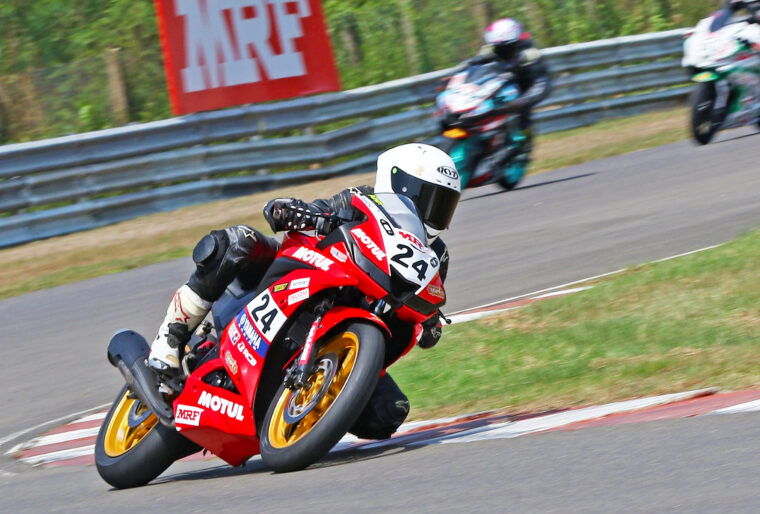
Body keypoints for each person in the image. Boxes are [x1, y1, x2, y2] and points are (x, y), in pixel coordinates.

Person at [146, 143, 461, 440]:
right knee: (238, 242)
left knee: (389, 413)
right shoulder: (361, 201)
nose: (437, 213)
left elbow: (426, 303)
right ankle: (170, 338)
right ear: (400, 184)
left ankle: (310, 416)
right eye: (431, 199)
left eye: (445, 204)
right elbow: (313, 210)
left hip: (352, 331)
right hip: (305, 278)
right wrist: (298, 212)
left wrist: (429, 322)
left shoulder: (437, 256)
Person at [452, 18, 552, 186]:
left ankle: (521, 145)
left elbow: (542, 82)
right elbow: (474, 64)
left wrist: (527, 98)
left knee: (520, 113)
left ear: (515, 43)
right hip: (500, 86)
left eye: (505, 46)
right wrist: (459, 73)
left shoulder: (530, 54)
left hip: (525, 88)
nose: (501, 50)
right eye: (498, 46)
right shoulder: (490, 50)